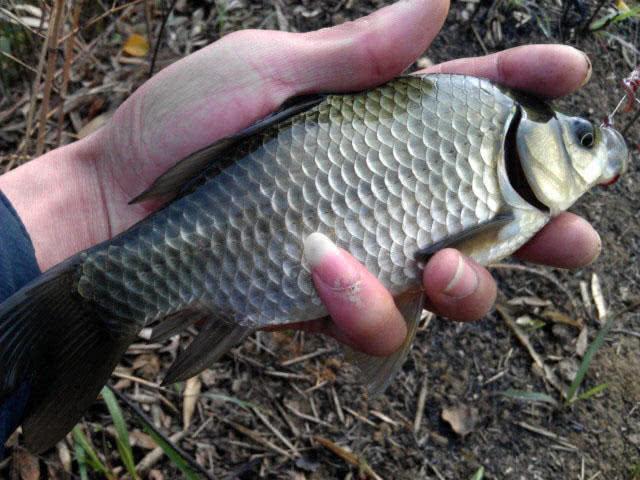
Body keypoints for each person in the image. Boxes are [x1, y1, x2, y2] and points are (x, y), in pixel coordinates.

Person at [0, 0, 599, 452]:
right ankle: (90, 304)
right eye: (583, 139)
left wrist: (93, 186)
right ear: (526, 140)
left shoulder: (479, 114)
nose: (589, 153)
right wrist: (100, 181)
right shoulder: (482, 122)